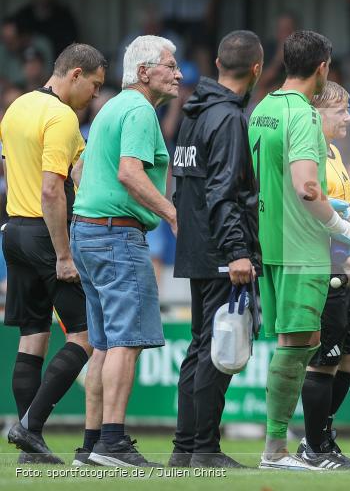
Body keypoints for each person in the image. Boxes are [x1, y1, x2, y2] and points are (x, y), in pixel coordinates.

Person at [248, 30, 350, 471]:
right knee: (299, 344)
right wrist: (342, 226)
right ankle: (276, 449)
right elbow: (307, 187)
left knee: (299, 341)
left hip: (269, 241)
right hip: (301, 246)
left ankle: (279, 447)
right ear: (322, 68)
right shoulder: (303, 115)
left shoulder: (263, 109)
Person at [70, 35, 181, 467]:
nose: (178, 73)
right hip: (116, 235)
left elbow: (81, 170)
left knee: (103, 343)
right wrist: (173, 214)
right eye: (170, 66)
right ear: (142, 72)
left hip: (87, 231)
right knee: (126, 342)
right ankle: (113, 442)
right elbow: (130, 173)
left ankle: (91, 443)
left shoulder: (108, 108)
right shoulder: (138, 110)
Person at [2, 44, 106, 464]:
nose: (94, 96)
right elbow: (51, 189)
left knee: (33, 337)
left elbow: (13, 171)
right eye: (95, 86)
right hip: (46, 235)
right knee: (85, 337)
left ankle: (32, 449)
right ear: (75, 74)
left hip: (13, 228)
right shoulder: (61, 117)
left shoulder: (17, 107)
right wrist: (64, 254)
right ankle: (30, 426)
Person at [168, 31, 264, 469]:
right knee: (217, 349)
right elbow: (224, 192)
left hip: (193, 244)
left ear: (219, 63)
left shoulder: (193, 113)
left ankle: (184, 447)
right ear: (258, 68)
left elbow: (189, 183)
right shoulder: (226, 117)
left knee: (200, 347)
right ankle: (204, 449)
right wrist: (237, 251)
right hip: (221, 249)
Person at [299, 81, 350, 469]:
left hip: (344, 267)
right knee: (323, 361)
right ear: (317, 113)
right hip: (324, 269)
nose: (348, 117)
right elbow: (309, 209)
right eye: (341, 110)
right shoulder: (308, 155)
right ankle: (313, 447)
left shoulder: (335, 152)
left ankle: (321, 435)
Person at [12, 0, 79, 56]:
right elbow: (12, 39)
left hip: (56, 63)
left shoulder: (64, 16)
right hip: (26, 62)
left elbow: (72, 44)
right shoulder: (23, 15)